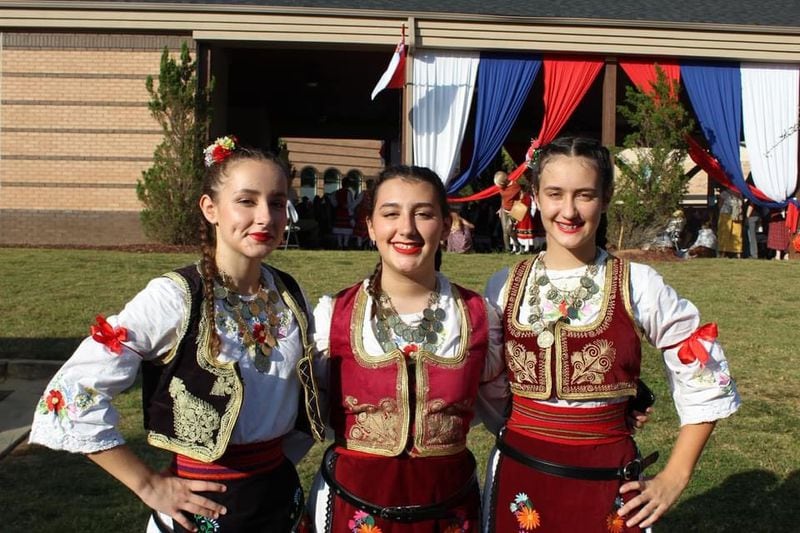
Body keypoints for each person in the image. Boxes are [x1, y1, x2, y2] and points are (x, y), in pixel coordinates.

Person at [29, 136, 324, 532]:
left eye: (276, 201)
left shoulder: (289, 294)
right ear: (210, 208)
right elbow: (69, 394)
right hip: (199, 512)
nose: (265, 217)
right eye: (247, 201)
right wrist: (148, 484)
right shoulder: (174, 298)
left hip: (278, 504)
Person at [482, 137, 740, 532]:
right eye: (555, 194)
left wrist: (674, 477)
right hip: (522, 476)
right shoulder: (503, 286)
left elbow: (703, 373)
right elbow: (487, 380)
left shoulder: (638, 283)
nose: (568, 210)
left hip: (606, 477)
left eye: (584, 195)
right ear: (534, 195)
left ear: (605, 198)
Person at [306, 165, 507, 532]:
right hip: (351, 510)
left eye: (424, 214)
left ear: (446, 226)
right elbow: (292, 415)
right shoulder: (333, 317)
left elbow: (509, 416)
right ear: (369, 225)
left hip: (449, 514)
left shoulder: (479, 317)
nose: (407, 229)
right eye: (391, 213)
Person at [495, 170, 523, 253]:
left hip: (516, 209)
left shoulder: (515, 186)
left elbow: (521, 197)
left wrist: (518, 211)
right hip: (504, 209)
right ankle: (508, 250)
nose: (498, 186)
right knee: (505, 230)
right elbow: (503, 198)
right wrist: (500, 208)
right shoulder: (501, 187)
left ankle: (518, 245)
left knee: (509, 228)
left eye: (499, 184)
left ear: (504, 181)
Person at [717, 188, 744, 258]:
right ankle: (734, 252)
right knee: (734, 233)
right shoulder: (739, 194)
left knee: (731, 233)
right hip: (732, 215)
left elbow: (720, 205)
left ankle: (727, 252)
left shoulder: (725, 194)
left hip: (731, 215)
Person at [331, 177, 356, 249]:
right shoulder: (348, 192)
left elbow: (334, 203)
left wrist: (339, 205)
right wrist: (351, 213)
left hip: (339, 212)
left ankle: (339, 244)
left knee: (339, 229)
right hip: (346, 212)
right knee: (346, 229)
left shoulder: (337, 192)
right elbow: (350, 204)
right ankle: (345, 244)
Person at [353, 178, 376, 249]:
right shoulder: (375, 194)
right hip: (369, 214)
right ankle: (370, 245)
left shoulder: (365, 193)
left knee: (362, 232)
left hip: (364, 215)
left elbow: (356, 203)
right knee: (371, 229)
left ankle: (362, 245)